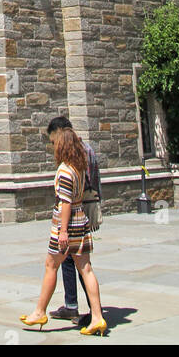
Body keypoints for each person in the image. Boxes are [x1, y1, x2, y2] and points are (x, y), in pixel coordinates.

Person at [19, 125, 107, 337]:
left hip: (68, 223)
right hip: (81, 219)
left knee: (51, 265)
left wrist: (63, 231)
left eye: (55, 144)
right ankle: (97, 317)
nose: (53, 147)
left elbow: (65, 202)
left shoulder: (65, 170)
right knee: (85, 268)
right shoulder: (78, 168)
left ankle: (39, 312)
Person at [46, 114, 101, 325]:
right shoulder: (87, 149)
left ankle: (91, 310)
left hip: (76, 213)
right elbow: (96, 181)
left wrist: (63, 229)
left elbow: (70, 196)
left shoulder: (77, 153)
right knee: (76, 262)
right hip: (86, 209)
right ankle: (75, 306)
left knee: (79, 264)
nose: (53, 146)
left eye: (53, 140)